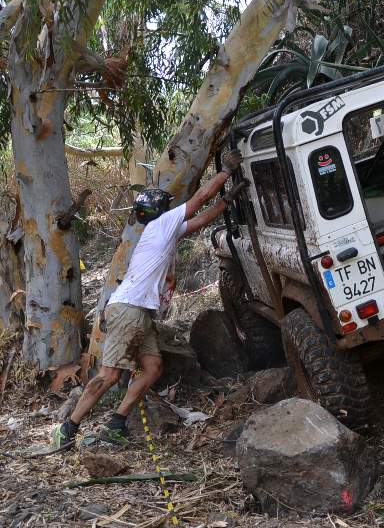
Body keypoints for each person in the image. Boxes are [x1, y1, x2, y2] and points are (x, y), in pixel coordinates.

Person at [51, 151, 248, 449]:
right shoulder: (161, 225)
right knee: (109, 374)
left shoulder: (161, 231)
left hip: (138, 312)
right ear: (160, 209)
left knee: (153, 367)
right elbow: (199, 200)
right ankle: (68, 429)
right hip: (129, 309)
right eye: (167, 205)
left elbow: (202, 218)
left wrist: (227, 200)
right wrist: (226, 172)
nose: (172, 207)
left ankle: (116, 426)